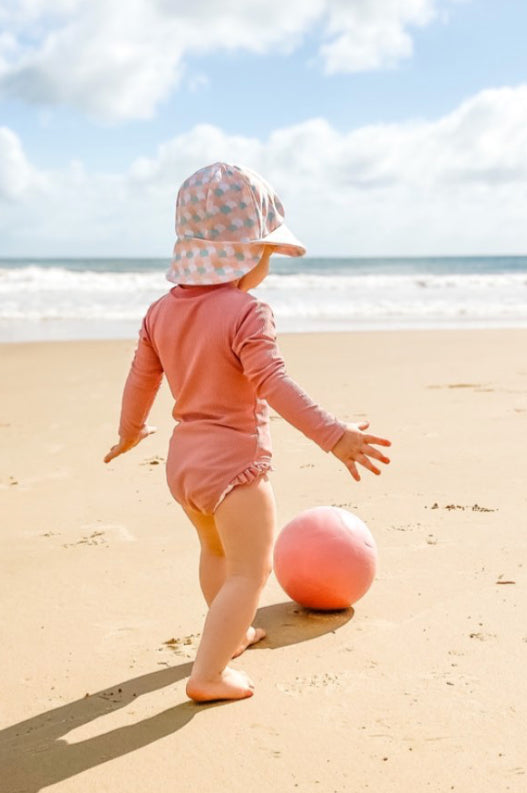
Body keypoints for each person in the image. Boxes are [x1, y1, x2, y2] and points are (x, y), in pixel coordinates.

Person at [104, 162, 391, 703]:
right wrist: (334, 435)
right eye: (266, 253)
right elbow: (272, 383)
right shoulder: (247, 311)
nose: (267, 265)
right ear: (246, 253)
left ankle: (232, 636)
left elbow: (141, 376)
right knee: (250, 573)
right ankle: (208, 674)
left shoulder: (160, 312)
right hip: (235, 467)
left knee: (217, 555)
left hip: (183, 464)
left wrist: (130, 431)